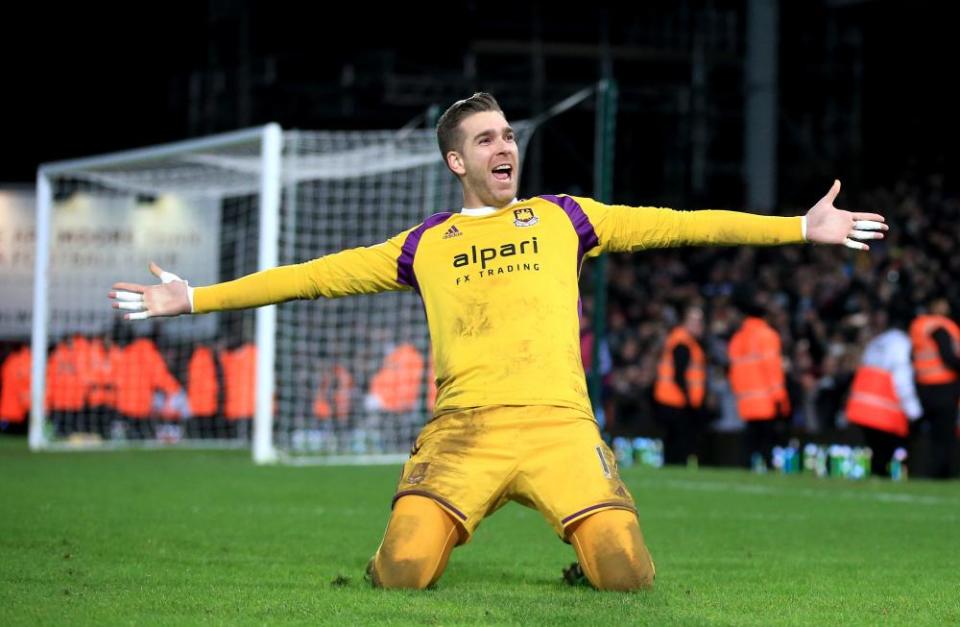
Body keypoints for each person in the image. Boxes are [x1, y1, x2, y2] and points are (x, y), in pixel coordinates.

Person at [109, 92, 886, 591]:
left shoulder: (567, 217)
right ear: (458, 161)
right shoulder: (422, 244)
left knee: (626, 575)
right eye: (485, 138)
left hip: (559, 427)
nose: (503, 144)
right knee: (405, 572)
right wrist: (194, 297)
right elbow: (311, 274)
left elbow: (679, 222)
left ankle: (589, 561)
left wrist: (797, 227)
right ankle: (399, 553)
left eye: (507, 132)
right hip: (464, 431)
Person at [845, 307, 921, 476]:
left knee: (877, 452)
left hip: (863, 407)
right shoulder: (902, 344)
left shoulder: (877, 342)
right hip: (885, 410)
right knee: (891, 451)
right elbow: (902, 379)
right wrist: (914, 410)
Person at [728, 286, 790, 469]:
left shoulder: (737, 339)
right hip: (767, 401)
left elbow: (734, 373)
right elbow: (773, 371)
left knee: (749, 445)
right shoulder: (767, 336)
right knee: (766, 445)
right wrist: (781, 400)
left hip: (745, 402)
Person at [909, 297, 960, 478]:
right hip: (943, 387)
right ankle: (943, 473)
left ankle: (927, 471)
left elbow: (913, 357)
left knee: (932, 435)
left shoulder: (919, 326)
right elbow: (948, 357)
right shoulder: (940, 327)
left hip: (925, 388)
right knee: (945, 435)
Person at [652, 305, 706, 465]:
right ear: (685, 321)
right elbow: (679, 375)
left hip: (671, 399)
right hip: (675, 401)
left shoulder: (682, 340)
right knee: (678, 442)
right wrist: (689, 399)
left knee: (673, 440)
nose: (698, 325)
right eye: (694, 321)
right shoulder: (682, 342)